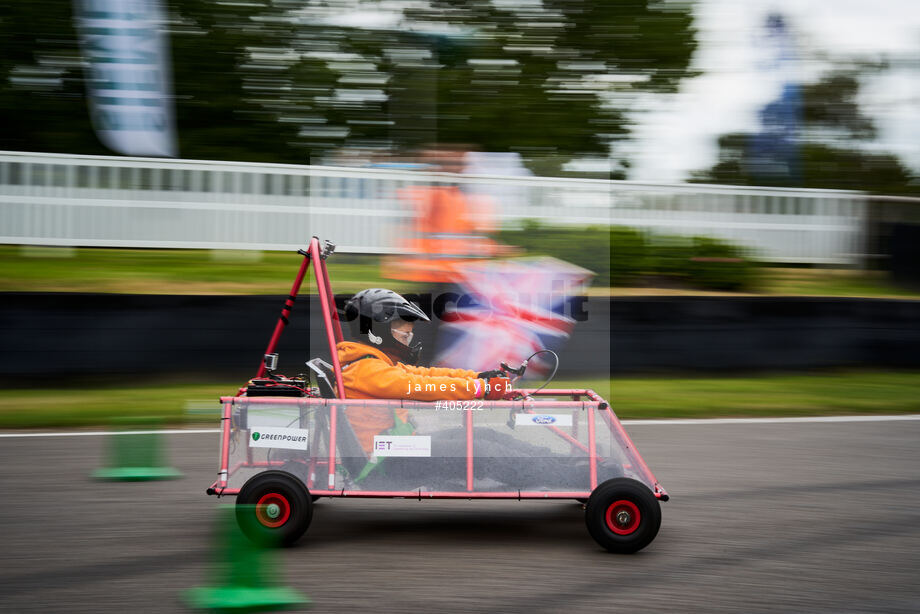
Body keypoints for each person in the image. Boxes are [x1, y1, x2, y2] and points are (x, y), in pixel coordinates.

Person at [337, 288, 511, 455]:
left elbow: (425, 375)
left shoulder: (375, 363)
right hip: (385, 457)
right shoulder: (366, 370)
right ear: (377, 334)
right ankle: (537, 477)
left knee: (484, 436)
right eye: (405, 336)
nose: (408, 342)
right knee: (483, 451)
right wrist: (481, 388)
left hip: (396, 446)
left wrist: (477, 377)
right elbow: (420, 386)